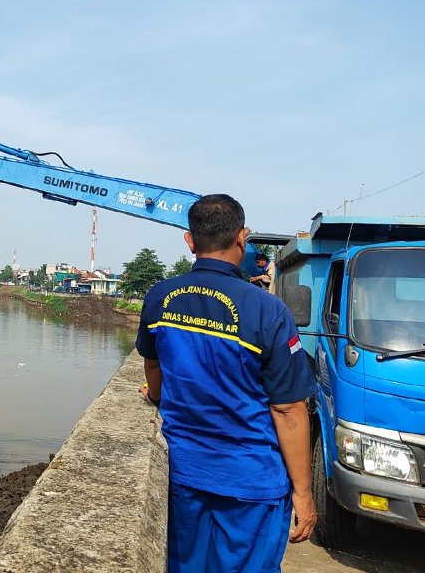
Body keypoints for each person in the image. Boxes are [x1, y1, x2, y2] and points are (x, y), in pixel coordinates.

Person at [135, 194, 316, 573]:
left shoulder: (160, 297)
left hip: (185, 476)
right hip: (252, 484)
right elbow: (288, 409)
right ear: (243, 238)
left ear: (190, 241)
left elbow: (155, 370)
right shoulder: (268, 310)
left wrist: (154, 396)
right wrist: (303, 493)